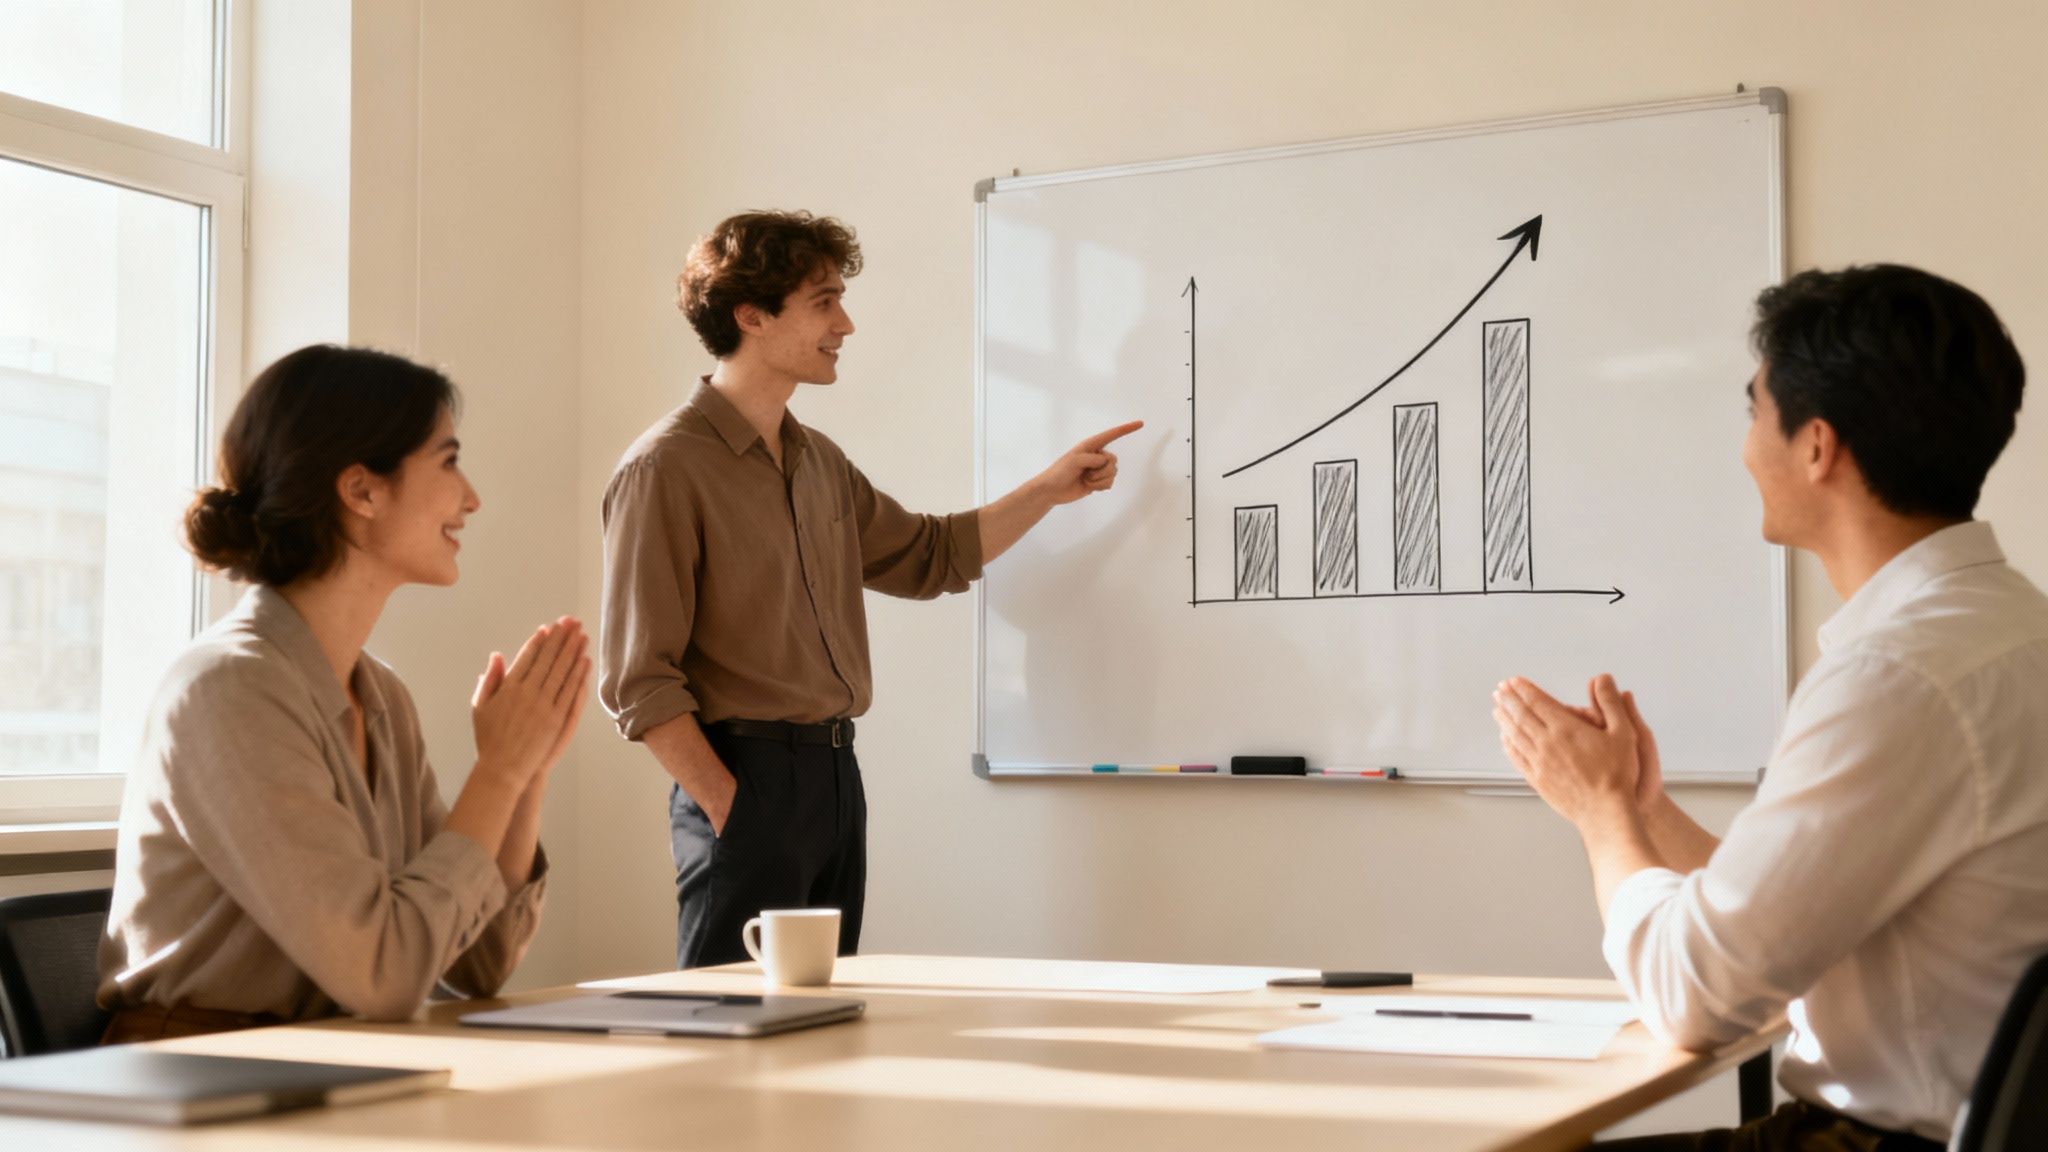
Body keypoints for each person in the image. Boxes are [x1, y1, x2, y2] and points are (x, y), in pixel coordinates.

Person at [1491, 264, 2045, 1150]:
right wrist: (1642, 811)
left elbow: (1692, 999)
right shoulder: (2009, 635)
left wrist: (1599, 818)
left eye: (1753, 413)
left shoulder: (1896, 678)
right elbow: (1791, 920)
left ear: (1817, 446)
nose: (1746, 447)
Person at [600, 210, 1141, 969]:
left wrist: (1049, 490)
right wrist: (731, 808)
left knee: (815, 1027)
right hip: (744, 778)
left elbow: (930, 557)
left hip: (833, 778)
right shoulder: (664, 469)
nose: (845, 324)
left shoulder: (818, 460)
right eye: (824, 301)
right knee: (722, 1028)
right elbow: (639, 682)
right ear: (751, 315)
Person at [98, 345, 591, 1039]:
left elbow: (478, 962)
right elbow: (385, 977)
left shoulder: (381, 695)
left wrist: (526, 771)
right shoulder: (228, 688)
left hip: (330, 1064)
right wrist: (497, 770)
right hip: (197, 1087)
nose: (471, 497)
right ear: (361, 490)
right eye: (449, 462)